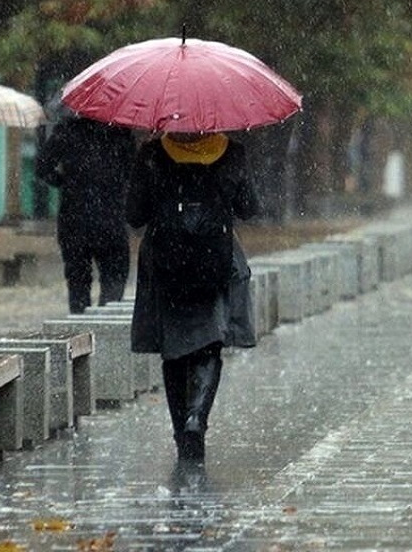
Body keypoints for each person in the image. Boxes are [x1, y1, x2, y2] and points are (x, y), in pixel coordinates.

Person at [126, 130, 259, 463]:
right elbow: (249, 209)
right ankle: (196, 419)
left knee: (173, 350)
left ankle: (180, 434)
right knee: (210, 344)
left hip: (166, 265)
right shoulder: (231, 152)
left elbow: (134, 215)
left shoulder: (153, 154)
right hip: (214, 262)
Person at [36, 116, 136, 314]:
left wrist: (66, 181)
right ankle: (106, 326)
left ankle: (80, 328)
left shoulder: (67, 131)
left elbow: (42, 167)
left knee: (78, 282)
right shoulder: (121, 133)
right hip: (111, 217)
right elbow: (132, 173)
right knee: (113, 280)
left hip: (75, 217)